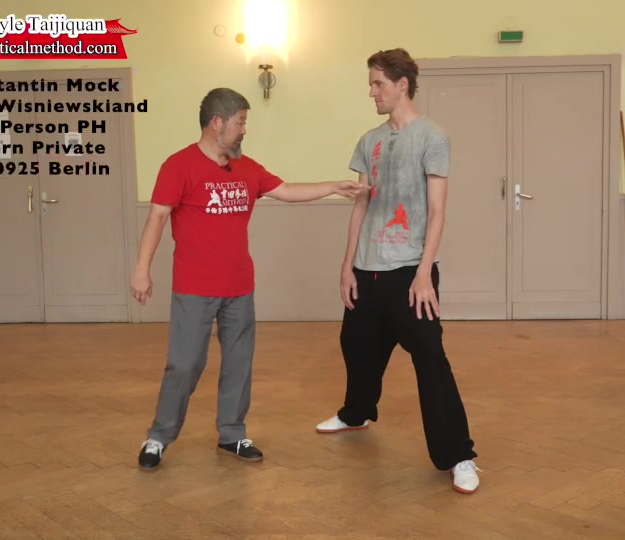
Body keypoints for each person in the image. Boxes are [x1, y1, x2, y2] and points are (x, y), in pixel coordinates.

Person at [134, 88, 369, 469]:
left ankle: (232, 433)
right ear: (217, 123)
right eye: (240, 122)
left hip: (239, 287)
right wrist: (142, 269)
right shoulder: (179, 166)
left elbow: (286, 190)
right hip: (194, 288)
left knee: (239, 364)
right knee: (185, 364)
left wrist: (333, 186)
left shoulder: (247, 168)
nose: (244, 130)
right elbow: (157, 217)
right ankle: (159, 437)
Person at [314, 49, 481, 494]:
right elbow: (360, 206)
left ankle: (458, 455)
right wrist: (347, 265)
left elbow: (438, 211)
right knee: (355, 345)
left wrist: (424, 272)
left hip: (409, 272)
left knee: (430, 359)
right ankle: (356, 414)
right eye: (371, 84)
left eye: (378, 84)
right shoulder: (369, 140)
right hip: (366, 269)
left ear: (402, 85)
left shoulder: (433, 138)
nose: (372, 92)